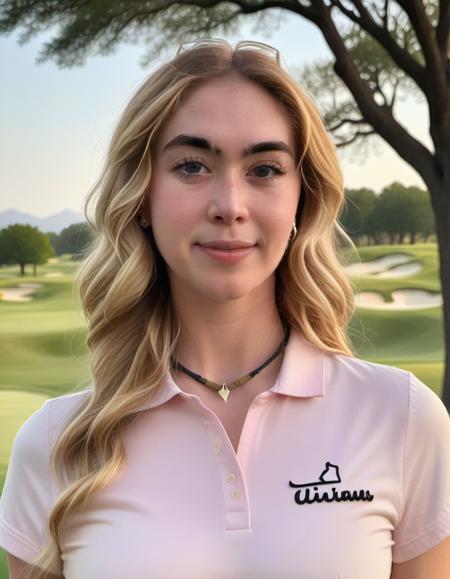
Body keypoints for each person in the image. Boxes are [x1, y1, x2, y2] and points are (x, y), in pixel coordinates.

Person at [0, 38, 449, 579]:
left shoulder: (401, 418)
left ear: (301, 199)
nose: (229, 206)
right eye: (191, 166)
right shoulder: (55, 443)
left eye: (264, 169)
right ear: (142, 195)